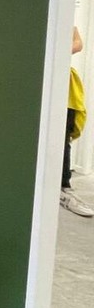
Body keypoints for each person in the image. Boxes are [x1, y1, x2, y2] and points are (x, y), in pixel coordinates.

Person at [61, 26, 93, 217]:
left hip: (63, 85)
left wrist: (59, 51)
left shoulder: (64, 22)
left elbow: (78, 42)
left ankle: (63, 189)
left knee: (63, 138)